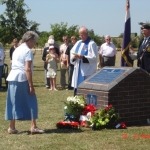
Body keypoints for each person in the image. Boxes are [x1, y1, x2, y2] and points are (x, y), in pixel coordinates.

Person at [5, 31, 44, 134]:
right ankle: (33, 126)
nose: (34, 44)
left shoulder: (16, 49)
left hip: (12, 77)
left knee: (13, 102)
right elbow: (27, 69)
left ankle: (12, 127)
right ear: (30, 41)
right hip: (22, 78)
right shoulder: (27, 51)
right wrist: (31, 85)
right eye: (34, 42)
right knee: (31, 101)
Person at [70, 26, 98, 95]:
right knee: (77, 87)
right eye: (80, 35)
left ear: (87, 34)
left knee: (85, 89)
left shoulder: (91, 44)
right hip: (77, 69)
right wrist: (74, 57)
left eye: (82, 35)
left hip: (86, 71)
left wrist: (83, 57)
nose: (81, 36)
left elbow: (94, 58)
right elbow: (72, 52)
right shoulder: (78, 43)